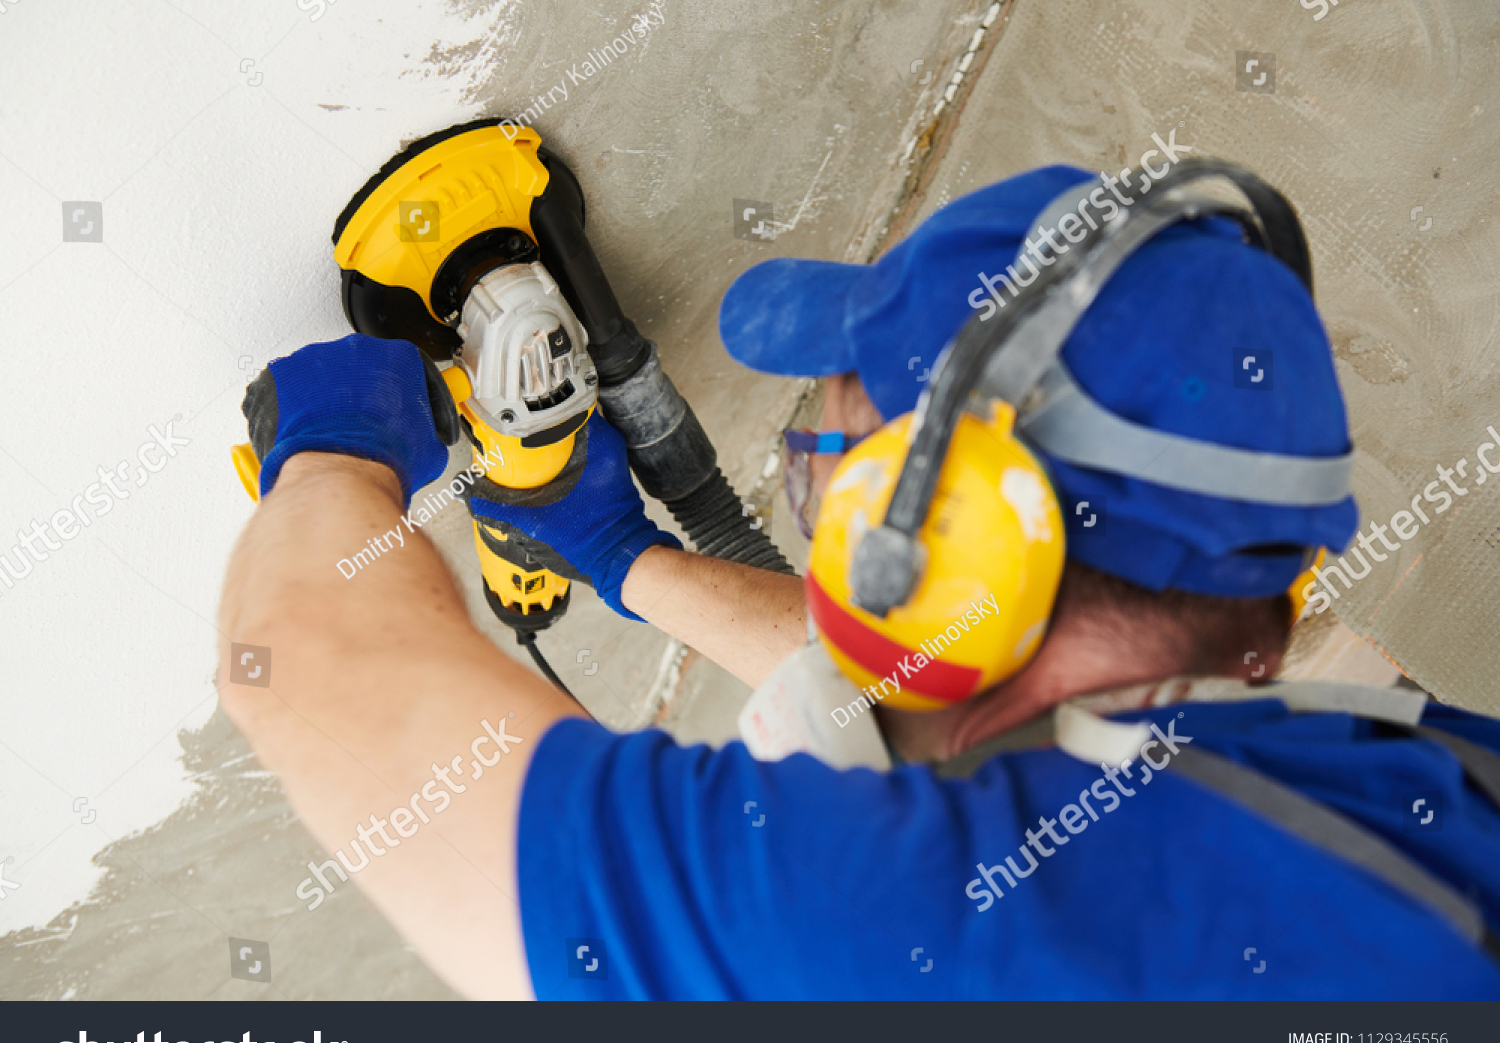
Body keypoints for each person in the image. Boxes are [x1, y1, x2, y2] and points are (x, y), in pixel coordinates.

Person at [220, 165, 1500, 1000]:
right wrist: (624, 558)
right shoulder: (1419, 775)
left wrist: (330, 457)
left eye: (822, 464)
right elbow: (964, 674)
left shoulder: (943, 944)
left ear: (949, 537)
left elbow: (301, 663)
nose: (811, 497)